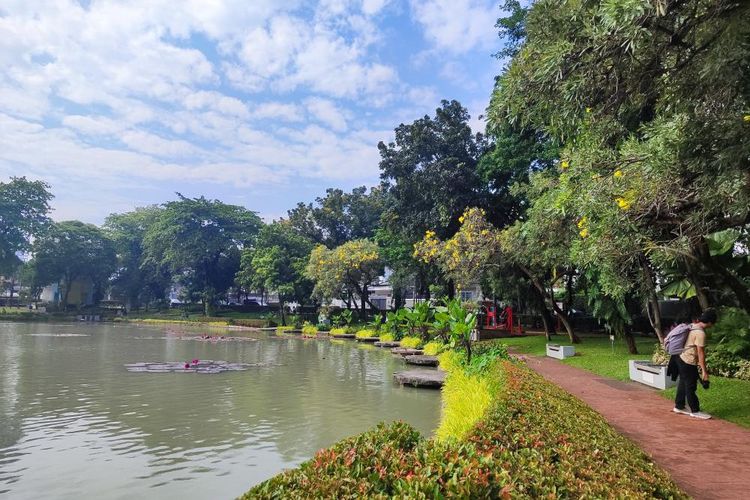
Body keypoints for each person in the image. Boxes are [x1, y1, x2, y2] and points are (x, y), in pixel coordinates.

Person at [673, 309, 717, 419]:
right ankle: (695, 410)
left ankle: (679, 406)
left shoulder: (693, 325)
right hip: (688, 361)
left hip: (680, 357)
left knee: (683, 382)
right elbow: (701, 354)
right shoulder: (700, 333)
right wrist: (704, 372)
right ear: (710, 322)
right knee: (690, 386)